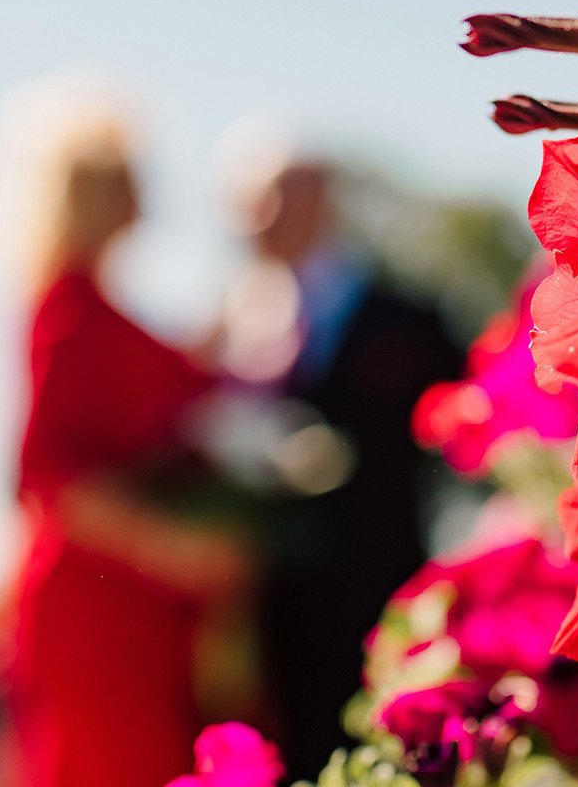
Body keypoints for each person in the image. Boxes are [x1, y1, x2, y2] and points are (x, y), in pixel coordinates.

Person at [0, 84, 247, 787]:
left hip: (139, 608)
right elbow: (44, 473)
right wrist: (172, 546)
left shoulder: (102, 309)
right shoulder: (66, 308)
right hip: (94, 606)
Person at [216, 142, 464, 780]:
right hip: (276, 622)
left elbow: (459, 436)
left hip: (385, 603)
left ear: (316, 199)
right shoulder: (235, 329)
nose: (252, 223)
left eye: (266, 202)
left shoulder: (409, 316)